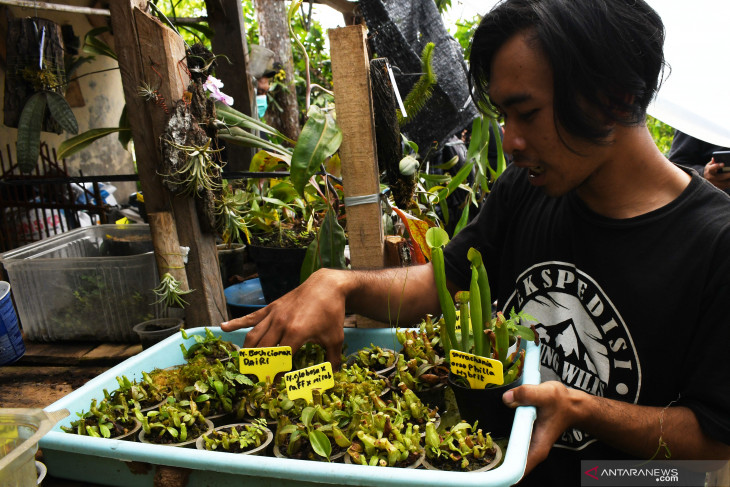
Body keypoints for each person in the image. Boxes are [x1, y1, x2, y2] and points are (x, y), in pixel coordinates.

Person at [223, 0, 730, 483]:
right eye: (504, 117)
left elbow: (715, 444)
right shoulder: (529, 190)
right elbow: (443, 280)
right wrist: (340, 284)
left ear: (614, 96)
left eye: (526, 113)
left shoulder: (714, 245)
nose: (509, 140)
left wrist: (584, 409)